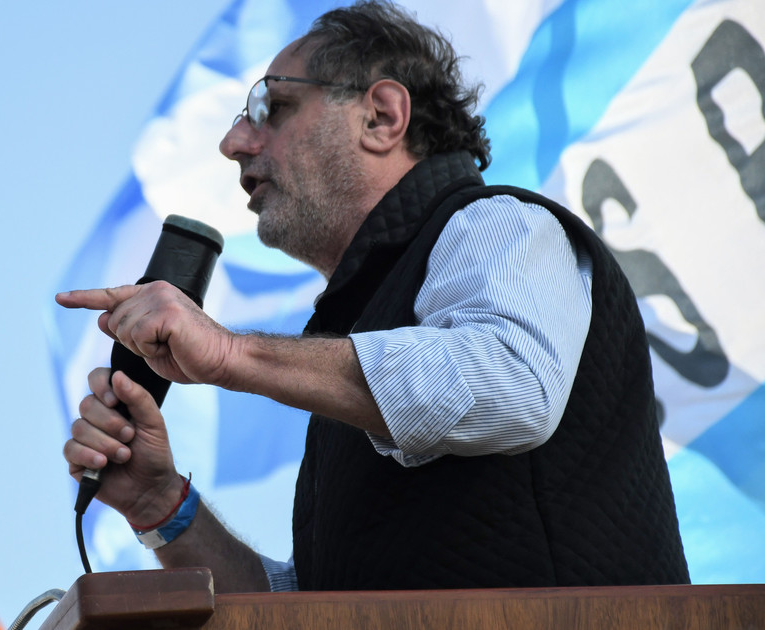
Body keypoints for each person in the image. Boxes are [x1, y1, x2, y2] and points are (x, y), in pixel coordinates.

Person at [57, 0, 689, 593]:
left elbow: (511, 382)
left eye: (272, 107)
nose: (234, 144)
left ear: (382, 117)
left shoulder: (500, 223)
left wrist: (230, 353)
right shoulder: (360, 345)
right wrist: (161, 506)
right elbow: (307, 610)